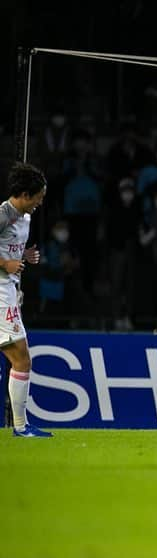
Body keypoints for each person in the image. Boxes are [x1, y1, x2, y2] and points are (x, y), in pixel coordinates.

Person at [1, 163, 49, 437]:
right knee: (22, 358)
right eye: (39, 196)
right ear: (24, 194)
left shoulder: (25, 219)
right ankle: (20, 427)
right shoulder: (4, 214)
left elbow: (11, 252)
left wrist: (22, 260)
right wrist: (5, 263)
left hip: (9, 290)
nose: (40, 202)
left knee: (19, 358)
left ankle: (21, 426)